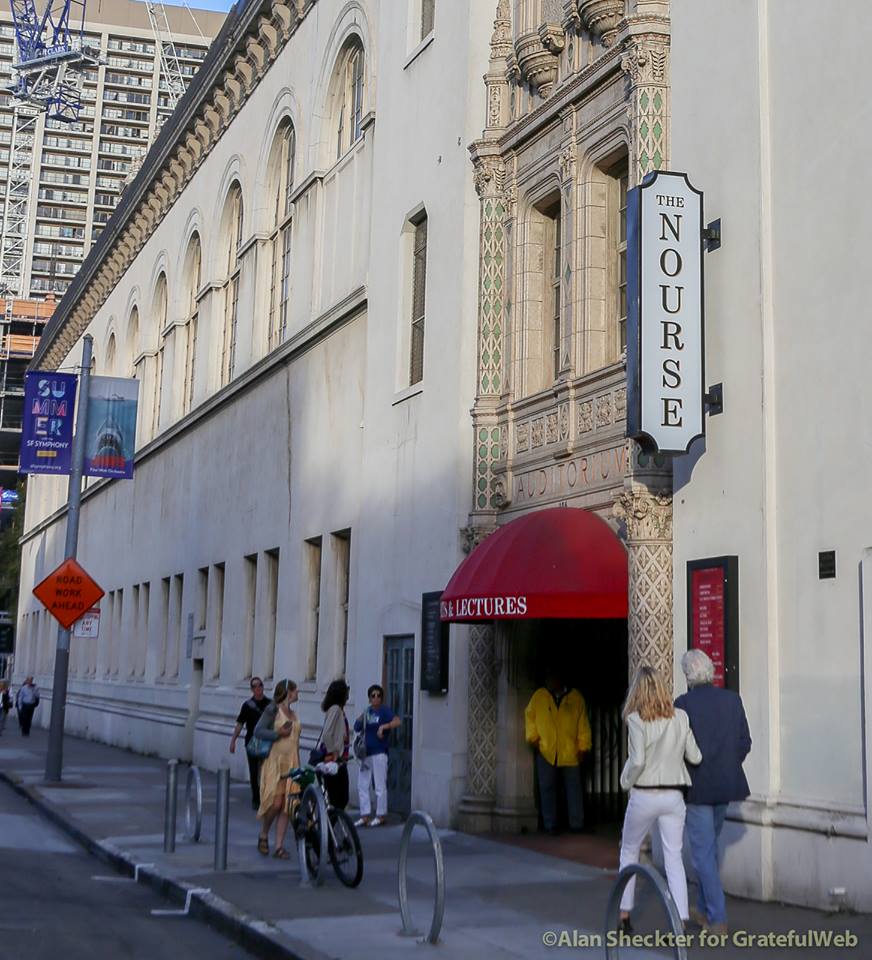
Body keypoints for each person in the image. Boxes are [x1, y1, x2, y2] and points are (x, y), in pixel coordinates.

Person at [617, 664, 702, 934]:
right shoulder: (681, 717)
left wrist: (625, 781)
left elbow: (637, 761)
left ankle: (624, 916)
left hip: (644, 794)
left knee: (629, 851)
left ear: (637, 691)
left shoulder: (636, 720)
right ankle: (680, 921)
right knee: (673, 857)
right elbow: (695, 756)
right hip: (674, 795)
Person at [675, 649, 751, 936]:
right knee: (709, 848)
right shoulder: (732, 700)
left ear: (688, 675)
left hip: (697, 786)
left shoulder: (683, 704)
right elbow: (745, 742)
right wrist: (728, 765)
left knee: (703, 853)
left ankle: (717, 917)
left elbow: (677, 746)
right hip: (726, 784)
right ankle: (704, 907)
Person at [524, 671, 591, 834]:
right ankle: (550, 825)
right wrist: (533, 738)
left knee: (574, 788)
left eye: (552, 678)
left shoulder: (576, 698)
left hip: (570, 750)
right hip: (546, 749)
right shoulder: (539, 696)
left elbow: (583, 724)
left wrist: (583, 747)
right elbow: (529, 716)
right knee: (547, 788)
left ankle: (577, 824)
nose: (549, 681)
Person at [253, 678, 300, 859]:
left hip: (292, 762)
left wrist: (298, 765)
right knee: (276, 803)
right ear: (288, 692)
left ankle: (279, 846)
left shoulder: (293, 713)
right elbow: (258, 730)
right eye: (295, 690)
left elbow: (295, 741)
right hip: (275, 761)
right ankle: (264, 833)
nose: (298, 693)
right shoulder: (273, 709)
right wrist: (277, 733)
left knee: (288, 805)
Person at [353, 684, 400, 827]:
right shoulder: (367, 711)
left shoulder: (384, 711)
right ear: (369, 698)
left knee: (379, 785)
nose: (376, 698)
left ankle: (381, 815)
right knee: (362, 784)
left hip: (379, 752)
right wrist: (362, 715)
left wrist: (384, 726)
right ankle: (365, 815)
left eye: (379, 695)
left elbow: (397, 721)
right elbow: (356, 727)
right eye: (373, 696)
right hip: (366, 753)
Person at [229, 676, 271, 809]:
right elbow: (240, 724)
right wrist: (233, 740)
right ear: (252, 689)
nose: (258, 688)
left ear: (263, 687)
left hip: (266, 741)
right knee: (254, 771)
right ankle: (256, 798)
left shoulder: (270, 704)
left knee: (265, 771)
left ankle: (265, 796)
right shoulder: (247, 706)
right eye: (255, 686)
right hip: (251, 742)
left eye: (260, 685)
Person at [318, 679, 351, 810]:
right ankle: (331, 820)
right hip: (334, 759)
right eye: (346, 690)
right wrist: (334, 752)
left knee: (339, 797)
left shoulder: (338, 710)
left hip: (340, 758)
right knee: (339, 798)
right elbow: (327, 733)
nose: (348, 694)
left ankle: (332, 820)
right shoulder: (335, 709)